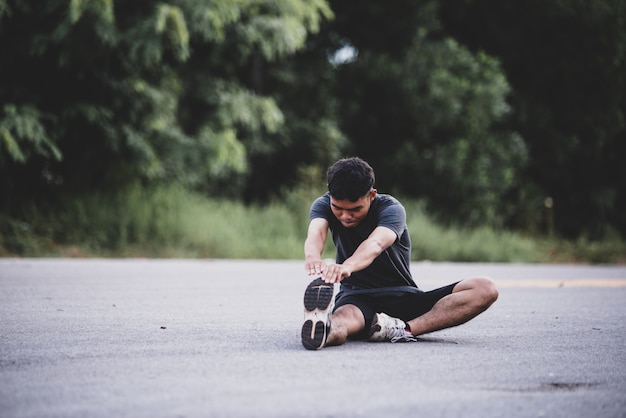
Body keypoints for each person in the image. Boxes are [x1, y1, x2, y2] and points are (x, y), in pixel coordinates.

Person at [301, 157, 498, 350]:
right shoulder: (323, 204)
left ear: (371, 195)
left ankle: (402, 330)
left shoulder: (391, 209)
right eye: (338, 208)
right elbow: (316, 232)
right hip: (356, 298)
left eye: (355, 209)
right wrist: (313, 258)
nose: (345, 216)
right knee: (342, 319)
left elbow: (375, 244)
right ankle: (325, 330)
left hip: (403, 298)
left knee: (485, 288)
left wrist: (347, 266)